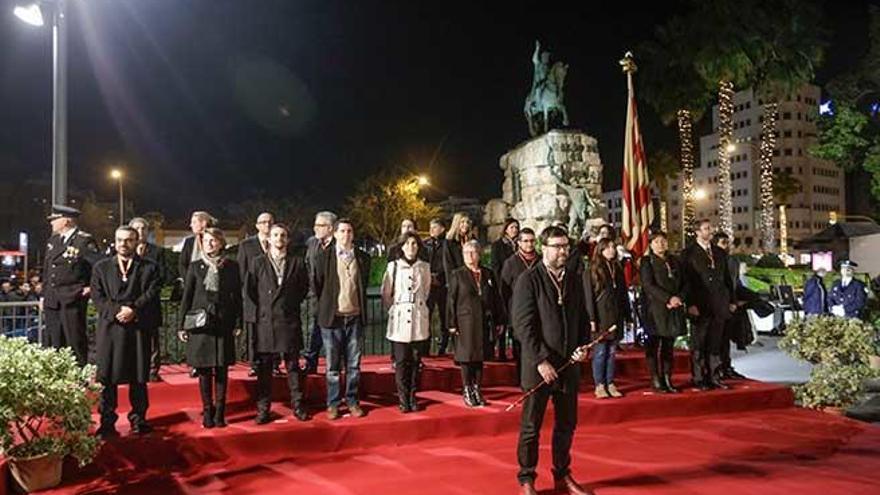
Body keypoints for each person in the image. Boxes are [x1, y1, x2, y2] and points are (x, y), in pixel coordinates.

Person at [512, 225, 593, 495]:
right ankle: (527, 479)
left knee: (567, 424)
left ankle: (562, 475)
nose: (563, 251)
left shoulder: (573, 277)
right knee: (531, 427)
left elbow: (581, 318)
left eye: (565, 247)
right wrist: (541, 360)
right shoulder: (529, 279)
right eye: (557, 247)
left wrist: (583, 347)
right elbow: (523, 326)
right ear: (543, 248)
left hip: (568, 365)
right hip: (539, 367)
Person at [91, 226, 160, 438]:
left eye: (128, 240)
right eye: (120, 240)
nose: (123, 244)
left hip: (137, 329)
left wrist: (134, 310)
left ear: (136, 241)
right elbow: (97, 296)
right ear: (115, 241)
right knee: (107, 378)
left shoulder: (150, 267)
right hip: (110, 329)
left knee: (138, 377)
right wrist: (116, 312)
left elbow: (152, 291)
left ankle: (139, 420)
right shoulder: (101, 267)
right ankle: (107, 422)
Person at [246, 224, 311, 423]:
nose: (279, 238)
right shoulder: (257, 263)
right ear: (269, 239)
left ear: (288, 240)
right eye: (275, 235)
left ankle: (298, 406)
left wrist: (288, 305)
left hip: (289, 320)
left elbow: (303, 288)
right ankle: (263, 409)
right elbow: (250, 291)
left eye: (283, 235)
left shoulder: (297, 263)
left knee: (293, 367)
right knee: (264, 369)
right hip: (266, 322)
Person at [178, 228, 242, 428]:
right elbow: (186, 297)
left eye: (214, 240)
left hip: (223, 323)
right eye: (206, 241)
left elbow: (237, 296)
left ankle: (220, 412)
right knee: (204, 369)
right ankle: (207, 410)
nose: (210, 244)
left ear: (221, 243)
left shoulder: (231, 266)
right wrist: (182, 325)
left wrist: (238, 322)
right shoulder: (195, 267)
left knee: (221, 369)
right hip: (201, 325)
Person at [314, 218, 371, 420]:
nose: (346, 235)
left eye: (349, 231)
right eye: (342, 231)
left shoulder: (363, 258)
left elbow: (362, 284)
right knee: (332, 366)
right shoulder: (324, 257)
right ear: (335, 234)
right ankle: (333, 403)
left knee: (354, 365)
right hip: (333, 319)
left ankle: (353, 400)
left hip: (354, 317)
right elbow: (317, 284)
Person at [447, 240, 505, 407]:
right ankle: (467, 388)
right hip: (465, 321)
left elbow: (496, 298)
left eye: (473, 252)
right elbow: (451, 300)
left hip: (484, 321)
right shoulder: (457, 274)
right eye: (466, 253)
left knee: (480, 356)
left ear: (479, 254)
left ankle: (477, 388)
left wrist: (499, 319)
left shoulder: (488, 273)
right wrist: (452, 323)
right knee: (466, 357)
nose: (470, 256)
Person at [42, 205, 101, 366]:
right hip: (52, 299)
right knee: (54, 342)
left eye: (55, 219)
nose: (51, 223)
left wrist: (90, 287)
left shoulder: (83, 241)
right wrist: (43, 296)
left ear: (66, 220)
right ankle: (57, 379)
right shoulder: (53, 241)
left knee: (75, 341)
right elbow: (47, 270)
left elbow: (99, 266)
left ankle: (79, 378)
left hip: (72, 298)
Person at [682, 219, 736, 391]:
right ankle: (699, 377)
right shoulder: (688, 254)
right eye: (706, 229)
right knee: (699, 342)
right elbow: (686, 281)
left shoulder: (719, 253)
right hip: (700, 304)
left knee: (715, 343)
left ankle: (715, 375)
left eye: (710, 228)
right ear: (697, 232)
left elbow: (728, 279)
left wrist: (731, 301)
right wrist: (690, 303)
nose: (709, 231)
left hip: (719, 303)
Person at [381, 232, 431, 413]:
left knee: (416, 361)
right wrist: (396, 309)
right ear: (401, 247)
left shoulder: (424, 267)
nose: (411, 247)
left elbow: (425, 291)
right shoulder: (393, 267)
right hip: (400, 318)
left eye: (415, 244)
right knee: (401, 362)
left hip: (418, 317)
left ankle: (413, 396)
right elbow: (386, 294)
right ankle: (403, 398)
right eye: (408, 244)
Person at [639, 231, 687, 393]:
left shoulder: (675, 261)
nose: (661, 244)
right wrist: (667, 299)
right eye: (657, 242)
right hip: (655, 309)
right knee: (653, 345)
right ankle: (655, 378)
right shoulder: (647, 262)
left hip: (674, 308)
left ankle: (667, 377)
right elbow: (648, 285)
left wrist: (679, 297)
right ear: (651, 244)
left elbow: (685, 283)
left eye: (663, 241)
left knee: (668, 345)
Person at [237, 212, 276, 377]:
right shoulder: (246, 245)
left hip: (273, 297)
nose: (267, 225)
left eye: (270, 222)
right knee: (253, 333)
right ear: (257, 225)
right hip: (253, 296)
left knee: (273, 331)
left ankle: (274, 364)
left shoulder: (278, 242)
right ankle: (255, 364)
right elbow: (241, 270)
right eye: (263, 222)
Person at [589, 238, 629, 399]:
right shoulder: (592, 269)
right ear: (600, 250)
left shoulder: (617, 268)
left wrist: (627, 315)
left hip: (615, 315)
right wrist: (592, 318)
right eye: (607, 247)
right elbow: (588, 296)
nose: (611, 250)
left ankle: (610, 382)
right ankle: (599, 384)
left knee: (612, 351)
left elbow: (623, 293)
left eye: (613, 247)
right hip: (600, 316)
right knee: (600, 351)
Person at [128, 217, 167, 382]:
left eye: (143, 228)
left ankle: (152, 369)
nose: (140, 232)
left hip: (150, 304)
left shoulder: (157, 252)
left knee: (152, 340)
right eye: (137, 228)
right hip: (129, 304)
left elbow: (162, 277)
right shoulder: (123, 250)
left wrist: (145, 297)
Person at [500, 228, 539, 379]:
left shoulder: (540, 261)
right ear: (519, 243)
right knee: (520, 346)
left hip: (538, 310)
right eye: (526, 241)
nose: (529, 244)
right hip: (517, 311)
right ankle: (522, 378)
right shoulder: (511, 263)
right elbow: (504, 290)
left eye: (532, 241)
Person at [302, 211, 337, 374]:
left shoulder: (339, 244)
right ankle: (310, 362)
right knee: (313, 331)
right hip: (315, 296)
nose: (315, 229)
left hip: (334, 298)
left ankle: (336, 364)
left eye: (320, 225)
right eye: (315, 225)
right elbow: (307, 266)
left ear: (330, 228)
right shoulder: (311, 243)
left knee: (334, 335)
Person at [713, 232, 747, 380]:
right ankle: (717, 367)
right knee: (717, 339)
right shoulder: (713, 259)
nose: (726, 246)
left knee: (726, 338)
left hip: (731, 303)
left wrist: (736, 300)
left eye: (728, 243)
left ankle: (727, 366)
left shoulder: (732, 261)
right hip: (717, 304)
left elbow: (735, 282)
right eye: (723, 243)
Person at [491, 218, 519, 361]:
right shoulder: (498, 245)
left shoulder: (519, 245)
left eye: (516, 227)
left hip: (517, 289)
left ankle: (515, 350)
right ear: (506, 229)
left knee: (515, 321)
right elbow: (495, 266)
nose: (514, 230)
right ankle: (501, 351)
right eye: (512, 227)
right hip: (503, 286)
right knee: (502, 319)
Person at [423, 218, 449, 354]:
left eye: (435, 227)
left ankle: (442, 346)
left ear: (442, 229)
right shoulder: (425, 244)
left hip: (443, 284)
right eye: (430, 227)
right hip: (429, 284)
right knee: (427, 315)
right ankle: (425, 346)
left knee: (445, 316)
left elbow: (449, 264)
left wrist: (440, 277)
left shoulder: (447, 244)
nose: (431, 230)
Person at [178, 211, 216, 283]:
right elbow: (182, 264)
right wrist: (189, 281)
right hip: (191, 283)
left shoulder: (216, 240)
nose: (191, 225)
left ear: (203, 223)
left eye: (194, 222)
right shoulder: (189, 242)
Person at [442, 212, 475, 287]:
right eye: (462, 222)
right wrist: (451, 282)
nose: (465, 225)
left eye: (467, 222)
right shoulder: (449, 242)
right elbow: (448, 264)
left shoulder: (472, 239)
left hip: (471, 278)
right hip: (457, 279)